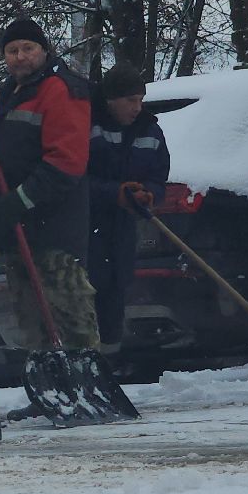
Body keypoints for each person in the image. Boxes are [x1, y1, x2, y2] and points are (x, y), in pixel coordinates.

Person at [0, 17, 101, 356]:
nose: (20, 57)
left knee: (67, 308)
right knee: (30, 315)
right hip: (17, 229)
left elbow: (67, 160)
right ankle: (50, 381)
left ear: (44, 50)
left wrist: (23, 198)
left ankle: (82, 375)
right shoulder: (3, 97)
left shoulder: (61, 89)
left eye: (28, 48)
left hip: (53, 227)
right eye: (12, 50)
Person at [85, 62, 169, 354]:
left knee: (114, 296)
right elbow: (75, 179)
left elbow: (159, 175)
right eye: (130, 100)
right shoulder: (88, 126)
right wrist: (114, 193)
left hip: (122, 230)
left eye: (140, 100)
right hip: (87, 227)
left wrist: (149, 195)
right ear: (111, 100)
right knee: (87, 297)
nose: (137, 107)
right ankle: (86, 360)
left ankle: (110, 363)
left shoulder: (150, 131)